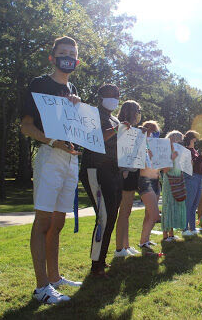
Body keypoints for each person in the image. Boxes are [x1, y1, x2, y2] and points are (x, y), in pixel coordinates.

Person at [21, 36, 82, 304]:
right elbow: (26, 126)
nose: (67, 56)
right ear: (52, 57)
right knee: (43, 221)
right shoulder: (39, 84)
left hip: (70, 159)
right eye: (62, 52)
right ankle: (41, 287)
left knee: (58, 222)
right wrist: (52, 141)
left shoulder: (73, 88)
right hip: (49, 157)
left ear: (76, 61)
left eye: (72, 53)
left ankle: (54, 277)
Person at [80, 84, 127, 277]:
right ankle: (96, 265)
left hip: (114, 170)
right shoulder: (93, 115)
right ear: (100, 97)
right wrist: (117, 130)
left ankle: (101, 260)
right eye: (110, 95)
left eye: (117, 96)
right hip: (96, 169)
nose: (114, 99)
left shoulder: (114, 118)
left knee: (111, 216)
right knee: (104, 216)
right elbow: (95, 139)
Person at [114, 100, 143, 257]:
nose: (139, 114)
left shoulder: (135, 130)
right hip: (125, 173)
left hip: (133, 172)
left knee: (128, 212)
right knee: (124, 211)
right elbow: (120, 152)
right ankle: (119, 248)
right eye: (137, 111)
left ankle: (126, 245)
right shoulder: (121, 127)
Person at [138, 121, 164, 253]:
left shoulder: (156, 146)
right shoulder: (139, 143)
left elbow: (160, 165)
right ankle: (144, 242)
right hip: (145, 180)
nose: (153, 134)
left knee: (149, 215)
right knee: (154, 215)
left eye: (156, 132)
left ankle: (144, 241)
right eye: (151, 131)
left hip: (156, 181)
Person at [161, 130, 186, 241]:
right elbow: (165, 169)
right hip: (169, 181)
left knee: (175, 205)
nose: (181, 142)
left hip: (177, 179)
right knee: (168, 206)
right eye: (179, 140)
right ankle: (165, 235)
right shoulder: (166, 152)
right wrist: (172, 157)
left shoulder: (179, 152)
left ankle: (171, 234)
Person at [182, 130, 202, 236]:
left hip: (199, 177)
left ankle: (192, 228)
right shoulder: (186, 150)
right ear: (192, 139)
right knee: (189, 204)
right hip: (191, 178)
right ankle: (184, 229)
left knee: (194, 205)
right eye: (196, 137)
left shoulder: (194, 150)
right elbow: (193, 165)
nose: (197, 140)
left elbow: (198, 163)